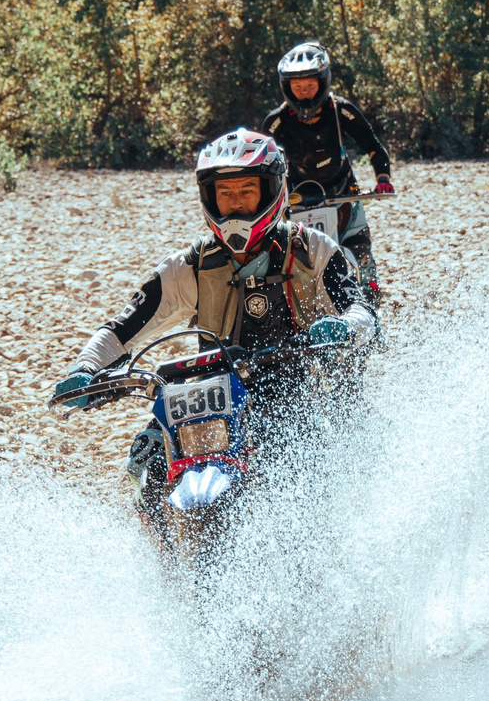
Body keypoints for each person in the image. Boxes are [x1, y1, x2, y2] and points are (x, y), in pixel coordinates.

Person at [48, 129, 375, 510]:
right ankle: (168, 566)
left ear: (272, 191)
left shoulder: (312, 249)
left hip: (289, 393)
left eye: (246, 191)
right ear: (210, 197)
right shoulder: (191, 265)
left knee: (311, 464)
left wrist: (346, 326)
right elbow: (122, 328)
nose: (235, 204)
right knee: (146, 461)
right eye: (225, 193)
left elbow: (360, 307)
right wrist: (86, 367)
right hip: (205, 398)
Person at [262, 40, 393, 296]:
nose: (304, 92)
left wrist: (383, 179)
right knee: (289, 260)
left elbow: (374, 146)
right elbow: (260, 164)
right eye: (297, 87)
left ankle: (370, 298)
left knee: (362, 253)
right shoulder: (276, 121)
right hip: (299, 199)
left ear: (322, 83)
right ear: (286, 87)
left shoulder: (341, 110)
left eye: (310, 85)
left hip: (345, 192)